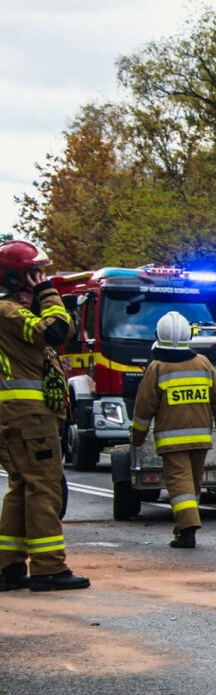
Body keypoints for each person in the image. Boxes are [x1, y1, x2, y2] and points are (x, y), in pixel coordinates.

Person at [0, 240, 88, 591]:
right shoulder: (8, 311)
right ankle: (49, 568)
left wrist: (34, 301)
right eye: (36, 274)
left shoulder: (10, 310)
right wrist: (50, 295)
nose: (42, 278)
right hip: (30, 417)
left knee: (22, 487)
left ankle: (8, 566)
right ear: (18, 277)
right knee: (45, 488)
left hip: (17, 416)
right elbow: (57, 331)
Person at [130, 312, 216, 548]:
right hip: (200, 439)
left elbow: (143, 406)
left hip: (172, 441)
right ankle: (186, 525)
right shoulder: (203, 363)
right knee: (193, 484)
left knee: (180, 485)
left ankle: (187, 529)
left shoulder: (157, 368)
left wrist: (136, 437)